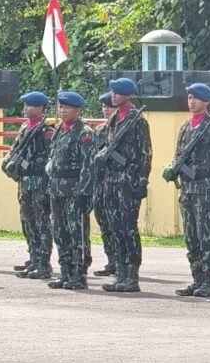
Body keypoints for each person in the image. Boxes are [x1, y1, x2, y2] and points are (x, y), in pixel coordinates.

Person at [163, 84, 210, 297]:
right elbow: (179, 154)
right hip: (188, 188)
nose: (191, 101)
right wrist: (172, 169)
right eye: (189, 97)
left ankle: (209, 280)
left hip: (205, 188)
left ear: (206, 101)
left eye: (196, 98)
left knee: (205, 236)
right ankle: (197, 278)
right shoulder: (185, 127)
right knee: (191, 237)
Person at [98, 78, 152, 293]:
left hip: (128, 182)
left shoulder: (137, 120)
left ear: (127, 95)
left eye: (117, 92)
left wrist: (142, 181)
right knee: (115, 228)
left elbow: (145, 153)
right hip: (111, 181)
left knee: (128, 229)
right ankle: (120, 273)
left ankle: (132, 275)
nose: (113, 96)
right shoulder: (114, 120)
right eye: (112, 92)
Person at [44, 91, 96, 290]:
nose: (63, 110)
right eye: (61, 107)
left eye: (67, 107)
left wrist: (84, 193)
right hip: (57, 189)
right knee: (60, 232)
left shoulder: (84, 134)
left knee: (78, 233)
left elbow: (89, 166)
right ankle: (65, 272)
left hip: (75, 191)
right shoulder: (59, 130)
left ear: (77, 109)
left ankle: (79, 274)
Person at [2, 91, 53, 280]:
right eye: (25, 105)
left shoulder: (46, 131)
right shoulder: (25, 128)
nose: (25, 108)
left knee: (41, 223)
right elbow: (15, 150)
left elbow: (50, 159)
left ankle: (43, 263)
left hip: (39, 182)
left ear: (40, 108)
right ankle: (34, 257)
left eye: (30, 105)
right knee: (28, 221)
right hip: (24, 182)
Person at [92, 93, 118, 277]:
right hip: (100, 183)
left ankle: (121, 261)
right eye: (104, 106)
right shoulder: (100, 130)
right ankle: (111, 260)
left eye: (109, 106)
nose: (106, 109)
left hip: (117, 183)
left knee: (117, 223)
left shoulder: (123, 128)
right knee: (104, 223)